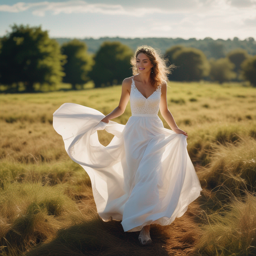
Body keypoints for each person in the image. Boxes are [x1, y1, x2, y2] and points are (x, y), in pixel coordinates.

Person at [53, 45, 202, 246]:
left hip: (155, 132)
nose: (140, 65)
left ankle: (145, 227)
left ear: (152, 64)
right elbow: (121, 108)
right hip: (134, 134)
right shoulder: (128, 83)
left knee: (150, 175)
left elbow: (165, 111)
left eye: (144, 61)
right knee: (134, 176)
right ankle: (134, 213)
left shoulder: (161, 85)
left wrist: (175, 129)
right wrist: (104, 119)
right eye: (138, 61)